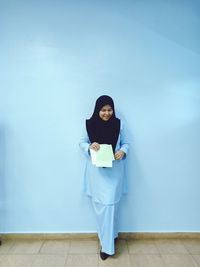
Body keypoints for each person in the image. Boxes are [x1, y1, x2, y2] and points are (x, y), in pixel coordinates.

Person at [79, 95, 129, 260]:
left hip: (114, 172)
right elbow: (81, 142)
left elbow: (126, 143)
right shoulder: (89, 124)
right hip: (97, 174)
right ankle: (110, 236)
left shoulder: (119, 124)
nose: (107, 113)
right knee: (103, 208)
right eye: (103, 110)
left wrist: (122, 151)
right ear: (97, 110)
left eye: (109, 110)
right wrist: (89, 146)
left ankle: (107, 245)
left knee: (110, 206)